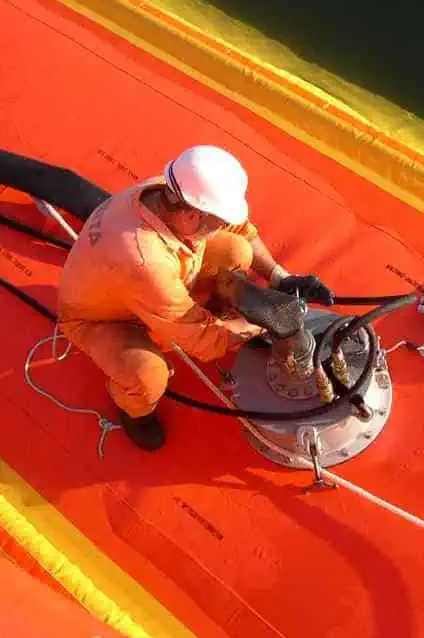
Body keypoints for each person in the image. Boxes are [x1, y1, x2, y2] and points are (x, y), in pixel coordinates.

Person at [57, 145, 334, 451]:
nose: (220, 227)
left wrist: (280, 277)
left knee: (235, 251)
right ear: (192, 216)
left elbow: (239, 228)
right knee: (148, 376)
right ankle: (133, 409)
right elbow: (202, 339)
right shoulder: (144, 261)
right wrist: (264, 327)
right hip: (102, 319)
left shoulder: (171, 190)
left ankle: (206, 304)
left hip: (149, 285)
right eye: (215, 222)